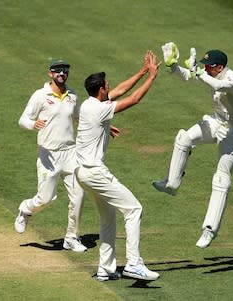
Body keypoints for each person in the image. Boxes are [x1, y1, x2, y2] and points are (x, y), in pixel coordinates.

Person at [75, 51, 161, 281]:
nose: (110, 87)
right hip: (95, 172)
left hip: (82, 173)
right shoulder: (100, 109)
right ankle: (134, 263)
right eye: (107, 86)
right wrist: (152, 77)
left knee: (108, 217)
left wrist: (142, 72)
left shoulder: (89, 104)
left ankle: (105, 270)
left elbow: (122, 89)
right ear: (101, 89)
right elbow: (133, 100)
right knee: (134, 209)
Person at [152, 43, 233, 249]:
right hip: (215, 122)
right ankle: (172, 184)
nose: (206, 68)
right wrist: (173, 66)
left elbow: (219, 86)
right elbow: (191, 75)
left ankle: (209, 230)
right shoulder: (212, 73)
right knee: (184, 138)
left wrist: (197, 71)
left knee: (221, 178)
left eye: (209, 66)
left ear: (219, 67)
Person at [15, 59, 87, 253]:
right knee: (46, 198)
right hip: (48, 154)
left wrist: (103, 127)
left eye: (65, 71)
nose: (62, 74)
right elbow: (23, 119)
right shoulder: (40, 95)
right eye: (58, 71)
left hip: (70, 154)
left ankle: (71, 237)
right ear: (50, 73)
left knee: (79, 195)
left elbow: (80, 118)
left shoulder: (72, 96)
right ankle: (26, 209)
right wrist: (33, 125)